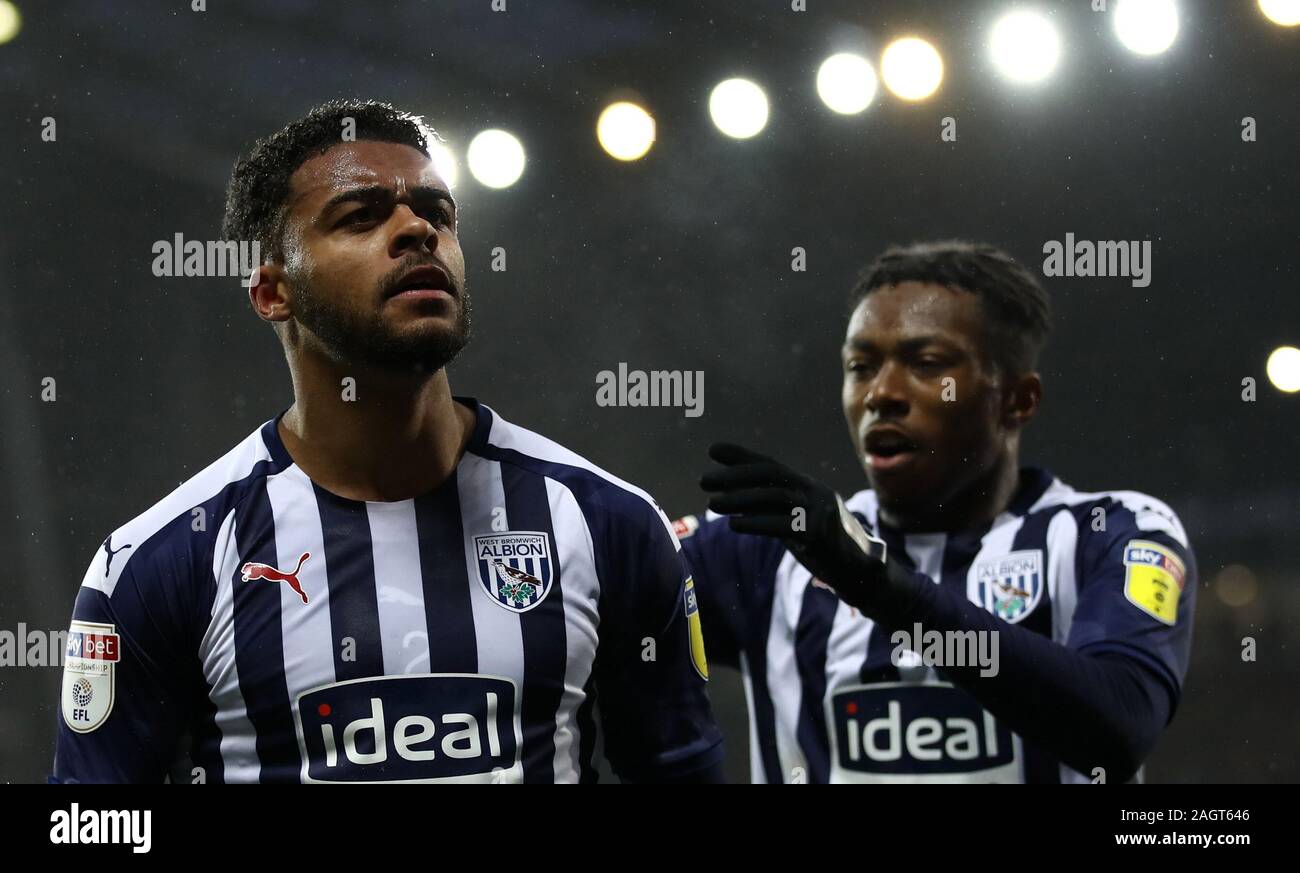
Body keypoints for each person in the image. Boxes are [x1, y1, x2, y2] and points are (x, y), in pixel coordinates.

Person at [52, 99, 722, 784]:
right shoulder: (163, 560)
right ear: (271, 292)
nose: (417, 230)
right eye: (361, 216)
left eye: (437, 212)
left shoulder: (609, 522)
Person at [678, 240, 1195, 783]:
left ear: (1018, 399)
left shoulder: (1112, 533)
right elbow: (595, 590)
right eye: (860, 366)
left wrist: (874, 582)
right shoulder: (768, 548)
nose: (881, 393)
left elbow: (1121, 725)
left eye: (926, 364)